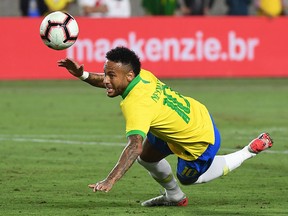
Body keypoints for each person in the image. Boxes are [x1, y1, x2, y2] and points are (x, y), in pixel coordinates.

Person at [57, 46, 273, 207]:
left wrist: (110, 179)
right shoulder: (143, 76)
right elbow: (110, 81)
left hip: (199, 138)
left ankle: (248, 151)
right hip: (190, 115)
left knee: (188, 179)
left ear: (129, 75)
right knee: (148, 158)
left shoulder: (136, 104)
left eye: (111, 75)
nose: (105, 80)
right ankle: (174, 197)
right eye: (106, 74)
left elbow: (134, 146)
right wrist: (82, 74)